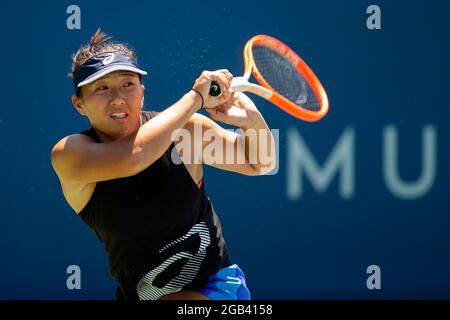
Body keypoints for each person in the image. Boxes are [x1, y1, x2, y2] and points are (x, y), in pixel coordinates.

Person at [50, 29, 276, 300]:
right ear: (79, 104)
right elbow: (135, 156)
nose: (118, 97)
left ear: (142, 93)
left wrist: (251, 120)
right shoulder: (68, 154)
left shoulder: (187, 133)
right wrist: (196, 98)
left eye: (127, 84)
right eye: (102, 87)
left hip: (216, 287)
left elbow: (260, 164)